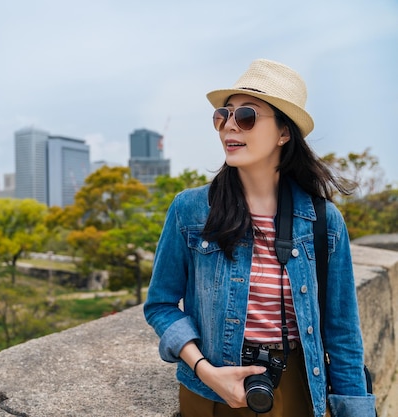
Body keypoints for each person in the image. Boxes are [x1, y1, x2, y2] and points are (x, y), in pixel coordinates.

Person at [143, 59, 376, 417]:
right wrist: (205, 369)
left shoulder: (323, 222)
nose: (229, 127)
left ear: (284, 133)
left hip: (295, 387)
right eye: (224, 115)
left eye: (247, 116)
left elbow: (342, 335)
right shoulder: (190, 210)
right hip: (209, 390)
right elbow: (160, 304)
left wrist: (356, 409)